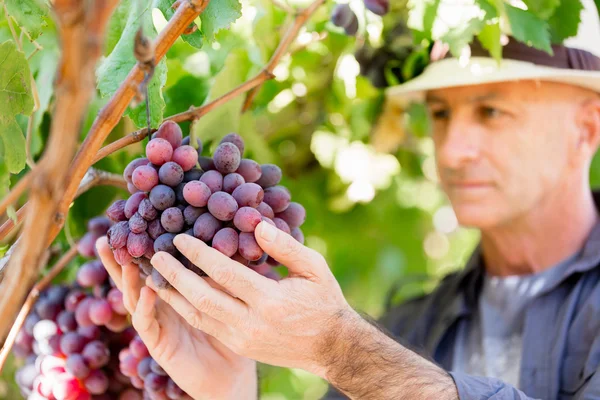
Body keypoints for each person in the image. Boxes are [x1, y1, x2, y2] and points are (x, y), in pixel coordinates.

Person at [96, 1, 600, 399]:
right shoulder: (410, 327)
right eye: (441, 114)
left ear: (586, 129)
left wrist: (340, 349)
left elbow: (352, 355)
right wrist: (230, 390)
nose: (453, 150)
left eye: (491, 112)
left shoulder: (373, 352)